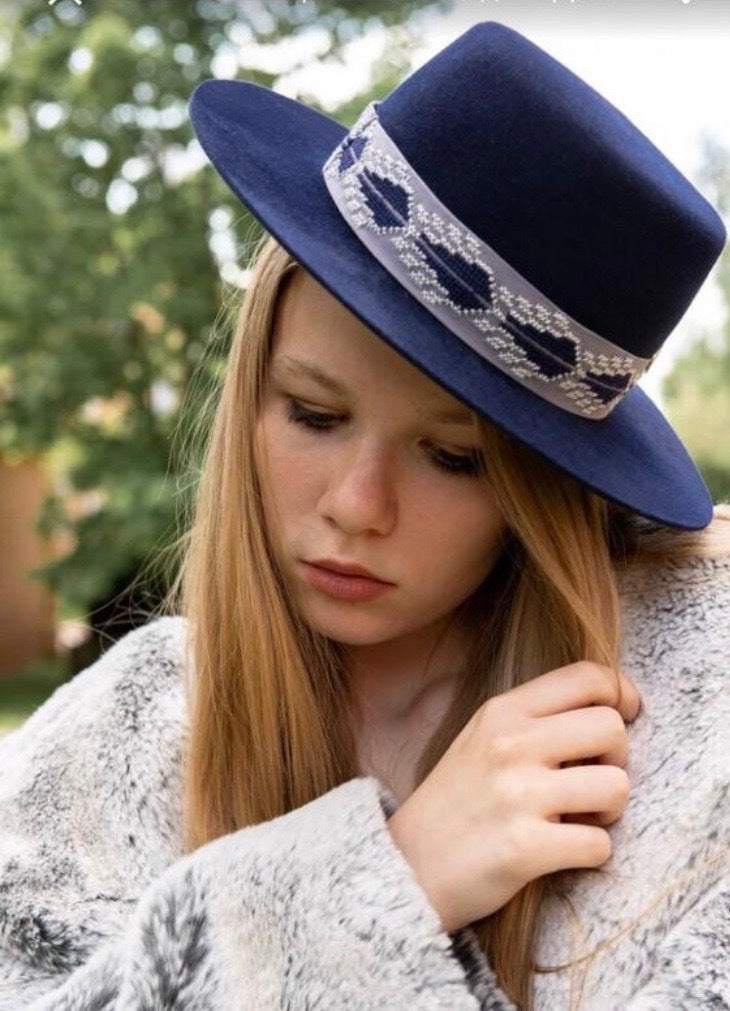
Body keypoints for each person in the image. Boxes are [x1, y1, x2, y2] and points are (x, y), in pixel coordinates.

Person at [1, 19, 728, 1011]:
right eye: (313, 414)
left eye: (453, 457)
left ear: (547, 487)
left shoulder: (696, 743)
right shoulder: (116, 739)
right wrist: (383, 887)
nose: (355, 506)